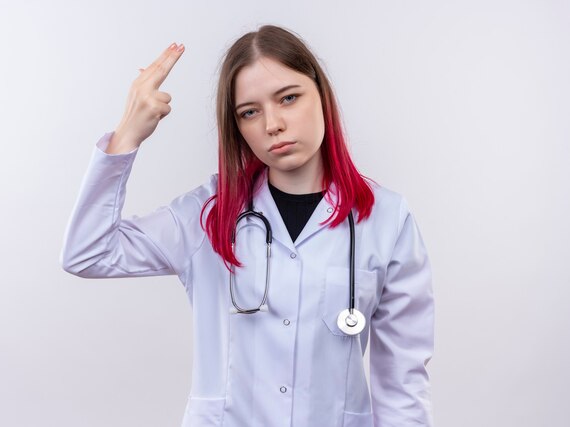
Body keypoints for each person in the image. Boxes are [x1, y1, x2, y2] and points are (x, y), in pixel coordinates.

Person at [60, 25, 434, 427]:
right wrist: (127, 135)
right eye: (249, 112)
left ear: (322, 97)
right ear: (236, 126)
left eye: (288, 98)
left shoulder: (386, 219)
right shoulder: (207, 214)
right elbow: (87, 252)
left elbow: (402, 387)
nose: (272, 123)